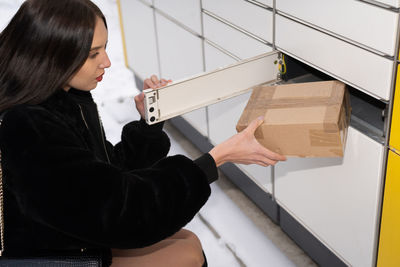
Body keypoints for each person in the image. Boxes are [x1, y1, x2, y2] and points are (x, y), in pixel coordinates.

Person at [0, 0, 286, 266]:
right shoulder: (28, 127)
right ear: (53, 57)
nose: (107, 63)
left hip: (73, 237)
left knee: (186, 241)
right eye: (92, 54)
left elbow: (104, 176)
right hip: (50, 258)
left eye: (104, 48)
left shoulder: (59, 97)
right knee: (187, 252)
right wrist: (216, 159)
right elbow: (126, 213)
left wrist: (148, 125)